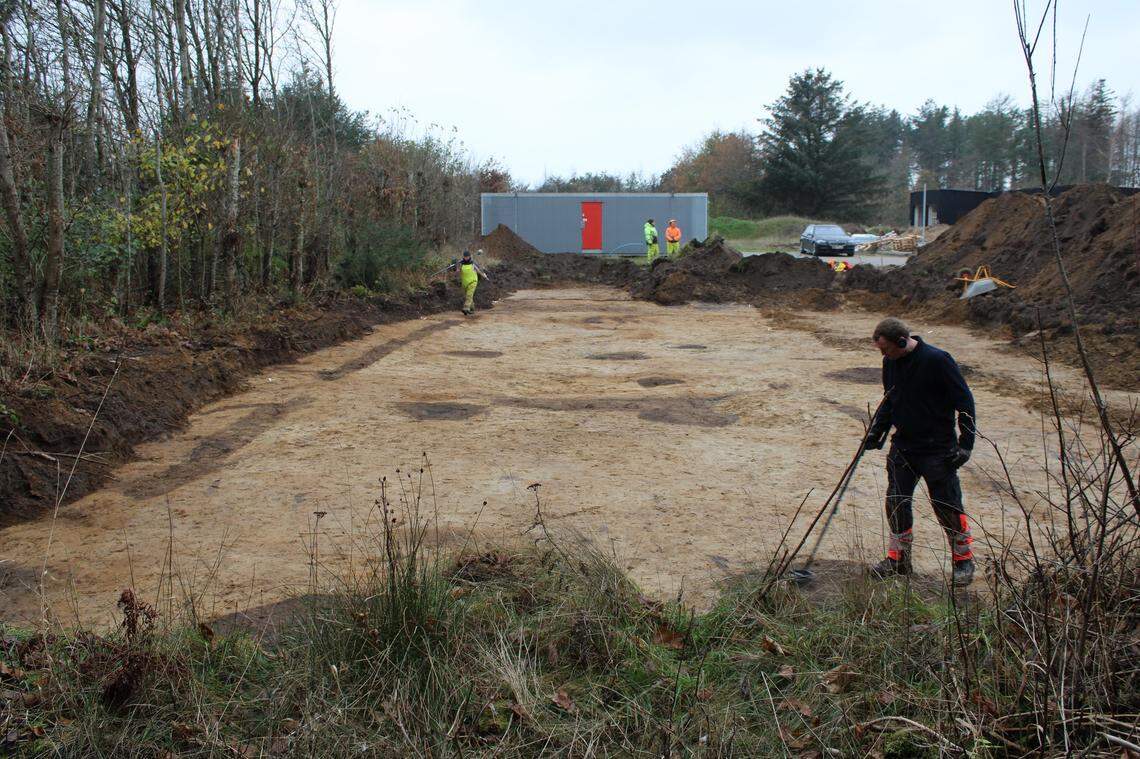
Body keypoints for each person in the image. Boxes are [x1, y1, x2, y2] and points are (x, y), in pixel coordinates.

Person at [863, 317, 977, 585]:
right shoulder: (890, 362)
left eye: (886, 349)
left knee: (947, 506)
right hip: (904, 447)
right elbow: (890, 400)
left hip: (938, 449)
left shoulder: (938, 360)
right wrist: (876, 432)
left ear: (902, 342)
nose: (883, 355)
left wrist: (966, 445)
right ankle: (899, 560)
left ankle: (963, 561)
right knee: (896, 502)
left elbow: (965, 402)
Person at [446, 249, 488, 316]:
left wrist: (485, 276)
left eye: (467, 256)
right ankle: (472, 309)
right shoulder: (461, 263)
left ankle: (466, 308)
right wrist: (453, 265)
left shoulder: (473, 263)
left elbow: (480, 270)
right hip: (465, 282)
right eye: (465, 257)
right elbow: (457, 271)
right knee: (468, 296)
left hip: (473, 281)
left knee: (469, 295)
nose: (466, 258)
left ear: (469, 256)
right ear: (463, 256)